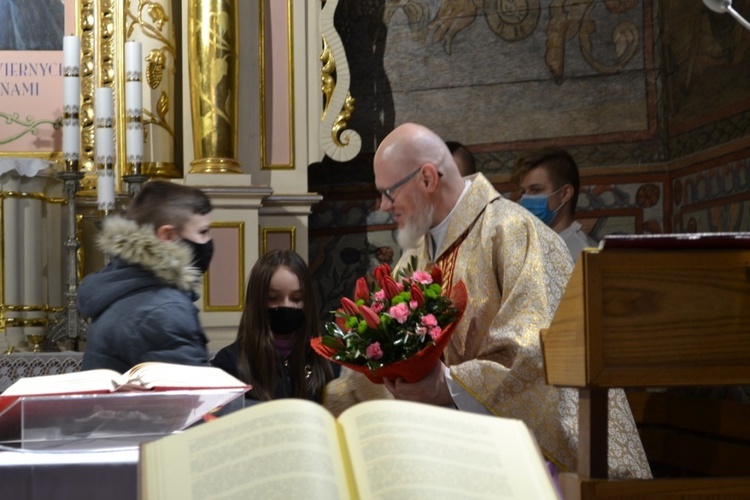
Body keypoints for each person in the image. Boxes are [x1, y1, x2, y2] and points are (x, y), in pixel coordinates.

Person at [323, 123, 651, 479]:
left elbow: (532, 357)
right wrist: (336, 405)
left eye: (388, 192)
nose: (384, 205)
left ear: (428, 179)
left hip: (540, 468)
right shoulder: (416, 256)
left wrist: (445, 385)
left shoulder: (513, 234)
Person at [78, 180, 214, 372]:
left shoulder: (121, 287)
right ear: (167, 236)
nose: (208, 241)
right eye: (203, 232)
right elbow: (195, 397)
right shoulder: (164, 309)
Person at [212, 249, 336, 403]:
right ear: (257, 301)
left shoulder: (326, 360)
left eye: (296, 298)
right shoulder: (229, 363)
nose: (286, 305)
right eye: (273, 298)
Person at [512, 147, 598, 261]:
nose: (526, 199)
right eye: (523, 191)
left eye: (536, 190)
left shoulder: (585, 256)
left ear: (565, 193)